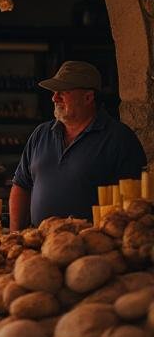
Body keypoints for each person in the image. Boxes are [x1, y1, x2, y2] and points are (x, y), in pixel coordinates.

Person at [10, 61, 146, 231]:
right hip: (40, 245)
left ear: (88, 97)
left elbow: (133, 203)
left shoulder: (119, 138)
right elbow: (21, 185)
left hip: (91, 248)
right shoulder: (41, 134)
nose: (54, 98)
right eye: (54, 92)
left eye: (62, 92)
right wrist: (15, 235)